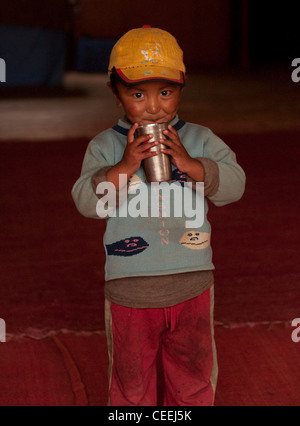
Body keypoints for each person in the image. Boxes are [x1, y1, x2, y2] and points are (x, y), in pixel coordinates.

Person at [72, 26, 246, 406]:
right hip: (130, 289)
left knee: (193, 377)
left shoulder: (200, 139)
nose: (153, 107)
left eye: (165, 92)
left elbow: (234, 187)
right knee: (131, 386)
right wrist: (125, 165)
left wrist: (192, 165)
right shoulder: (104, 147)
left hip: (193, 285)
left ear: (181, 88)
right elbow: (87, 201)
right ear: (115, 94)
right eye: (137, 94)